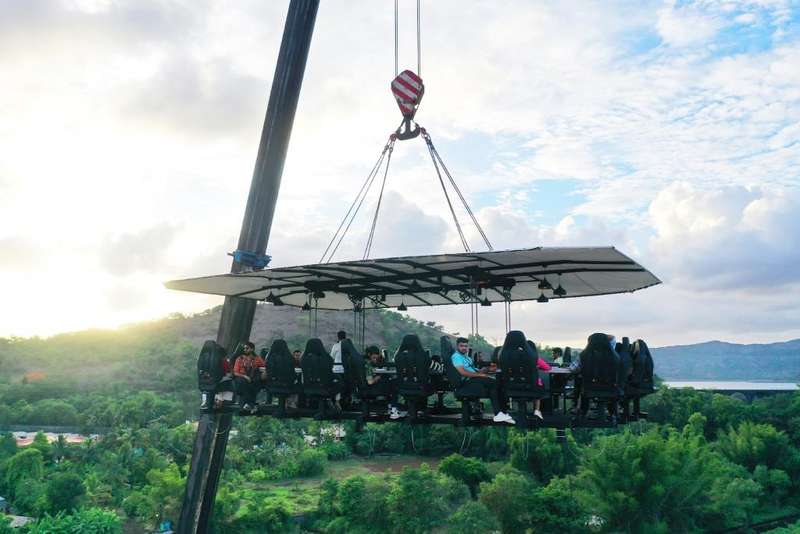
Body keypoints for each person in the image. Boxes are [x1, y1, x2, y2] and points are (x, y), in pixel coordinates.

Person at [451, 337, 515, 424]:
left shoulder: (466, 358)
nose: (464, 348)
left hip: (473, 378)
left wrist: (486, 370)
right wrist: (480, 375)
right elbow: (463, 372)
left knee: (496, 383)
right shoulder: (456, 357)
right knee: (494, 383)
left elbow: (473, 370)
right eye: (461, 346)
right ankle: (499, 413)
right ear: (457, 346)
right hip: (467, 382)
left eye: (465, 346)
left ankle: (501, 413)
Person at [365, 345, 406, 419]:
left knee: (391, 382)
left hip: (372, 386)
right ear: (369, 355)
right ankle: (393, 408)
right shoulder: (367, 364)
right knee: (394, 384)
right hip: (371, 387)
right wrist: (378, 377)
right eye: (373, 358)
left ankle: (392, 406)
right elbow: (370, 382)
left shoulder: (367, 362)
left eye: (376, 358)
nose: (375, 360)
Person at [233, 341, 266, 412]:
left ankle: (246, 406)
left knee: (254, 382)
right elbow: (235, 372)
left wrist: (263, 372)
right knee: (244, 383)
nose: (245, 350)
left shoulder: (257, 358)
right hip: (241, 378)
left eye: (247, 348)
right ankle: (249, 405)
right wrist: (245, 376)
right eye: (244, 348)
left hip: (252, 378)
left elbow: (264, 366)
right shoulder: (239, 358)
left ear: (252, 349)